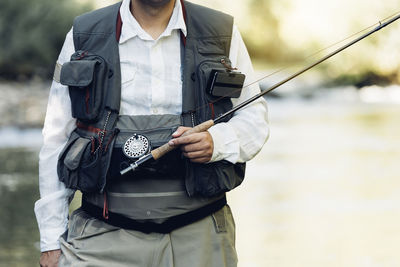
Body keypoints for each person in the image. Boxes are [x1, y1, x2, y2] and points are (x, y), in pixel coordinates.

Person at [35, 0, 269, 266]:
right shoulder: (83, 35)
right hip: (101, 237)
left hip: (202, 236)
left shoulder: (222, 32)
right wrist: (51, 241)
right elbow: (56, 136)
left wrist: (217, 142)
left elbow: (254, 119)